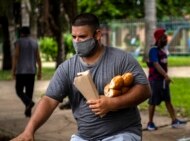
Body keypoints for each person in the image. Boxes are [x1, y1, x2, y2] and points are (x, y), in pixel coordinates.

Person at [11, 13, 151, 141]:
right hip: (84, 137)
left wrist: (112, 103)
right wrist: (29, 130)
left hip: (122, 133)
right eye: (74, 37)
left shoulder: (121, 59)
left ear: (97, 35)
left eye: (82, 37)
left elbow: (144, 90)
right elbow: (48, 100)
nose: (77, 41)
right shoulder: (67, 68)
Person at [146, 28, 186, 131]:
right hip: (155, 80)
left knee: (168, 100)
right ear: (159, 38)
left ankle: (174, 120)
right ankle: (150, 123)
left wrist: (165, 77)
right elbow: (155, 63)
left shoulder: (162, 50)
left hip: (163, 81)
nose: (166, 39)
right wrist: (166, 75)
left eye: (166, 37)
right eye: (164, 37)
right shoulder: (153, 50)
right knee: (153, 102)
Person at [12, 26, 42, 117]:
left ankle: (28, 103)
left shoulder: (19, 42)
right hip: (31, 71)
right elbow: (38, 58)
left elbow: (16, 56)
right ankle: (28, 112)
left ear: (21, 33)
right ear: (29, 33)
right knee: (29, 92)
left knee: (18, 90)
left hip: (21, 71)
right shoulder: (34, 42)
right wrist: (40, 71)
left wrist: (13, 69)